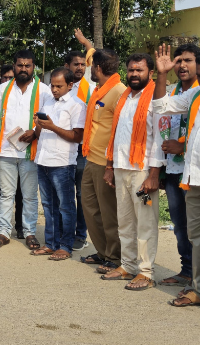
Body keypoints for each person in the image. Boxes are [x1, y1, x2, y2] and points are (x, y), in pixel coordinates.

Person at [154, 48, 200, 318]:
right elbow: (161, 106)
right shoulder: (195, 96)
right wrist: (161, 74)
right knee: (198, 239)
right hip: (194, 179)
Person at [99, 53, 163, 291]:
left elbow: (158, 139)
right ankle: (127, 265)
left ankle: (145, 272)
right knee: (124, 221)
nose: (134, 74)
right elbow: (115, 135)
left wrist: (153, 175)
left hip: (142, 172)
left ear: (151, 73)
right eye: (132, 70)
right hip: (120, 169)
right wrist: (109, 167)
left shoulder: (157, 98)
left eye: (140, 70)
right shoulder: (125, 97)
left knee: (145, 222)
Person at [0, 50, 52, 250]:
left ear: (34, 67)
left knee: (30, 195)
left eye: (28, 65)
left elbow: (48, 118)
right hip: (5, 152)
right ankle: (4, 232)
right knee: (6, 194)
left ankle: (30, 231)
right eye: (20, 65)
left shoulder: (44, 90)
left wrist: (35, 132)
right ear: (13, 66)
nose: (24, 69)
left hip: (30, 153)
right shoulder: (3, 89)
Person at [75, 31, 126, 275]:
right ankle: (103, 250)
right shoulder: (102, 86)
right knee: (89, 208)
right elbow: (93, 54)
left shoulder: (118, 91)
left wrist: (111, 164)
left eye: (91, 66)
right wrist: (86, 43)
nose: (89, 68)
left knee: (108, 212)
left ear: (97, 68)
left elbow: (120, 132)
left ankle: (114, 257)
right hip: (90, 157)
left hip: (105, 162)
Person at [157, 44, 200, 288]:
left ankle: (199, 276)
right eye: (178, 60)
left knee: (197, 226)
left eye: (188, 60)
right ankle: (187, 270)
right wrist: (160, 169)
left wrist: (181, 147)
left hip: (197, 171)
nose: (182, 65)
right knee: (179, 224)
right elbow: (159, 123)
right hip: (173, 170)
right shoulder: (171, 92)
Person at [31, 67, 86, 261]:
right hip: (43, 159)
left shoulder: (77, 105)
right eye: (52, 85)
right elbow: (40, 131)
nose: (54, 89)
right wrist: (38, 125)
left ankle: (65, 246)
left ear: (70, 85)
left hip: (62, 163)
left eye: (59, 86)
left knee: (65, 206)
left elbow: (77, 136)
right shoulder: (47, 101)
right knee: (48, 205)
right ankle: (50, 243)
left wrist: (53, 126)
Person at [0, 64, 24, 238]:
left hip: (23, 149)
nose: (8, 80)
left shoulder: (27, 94)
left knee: (20, 192)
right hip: (0, 150)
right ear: (0, 79)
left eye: (11, 77)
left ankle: (20, 226)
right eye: (5, 77)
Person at [65, 41, 96, 251]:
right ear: (67, 66)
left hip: (84, 148)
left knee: (81, 194)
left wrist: (86, 44)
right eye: (76, 64)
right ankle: (64, 230)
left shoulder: (92, 88)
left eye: (82, 65)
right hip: (63, 146)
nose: (80, 68)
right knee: (65, 192)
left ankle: (81, 234)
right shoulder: (60, 88)